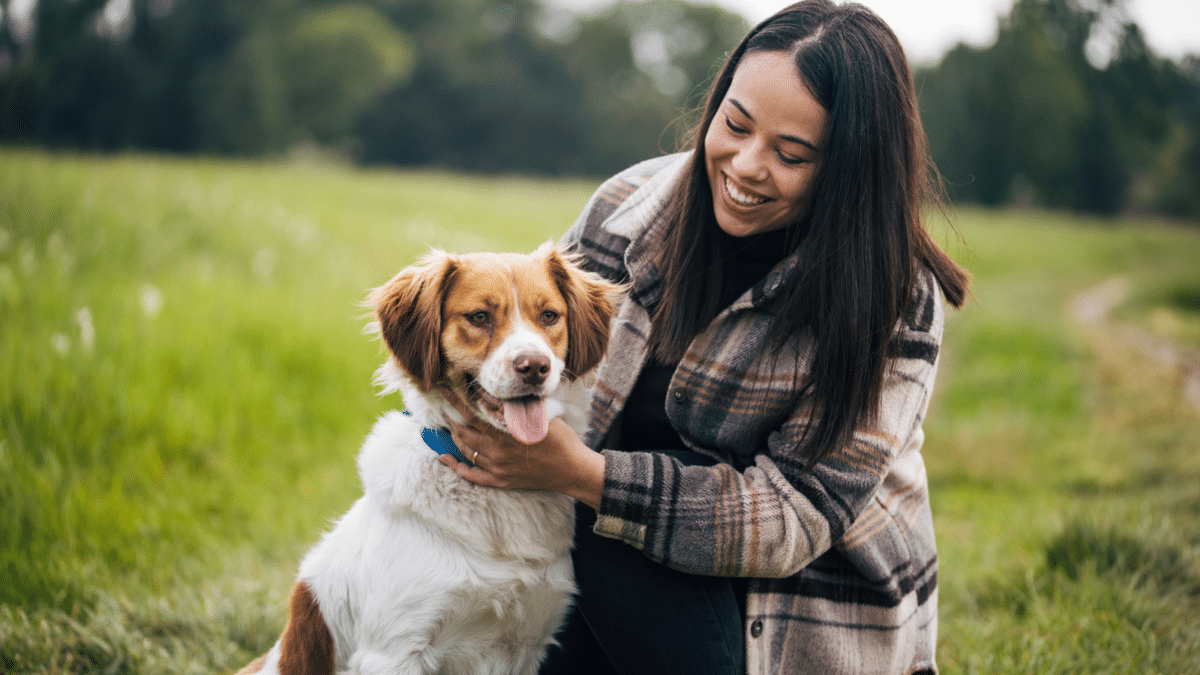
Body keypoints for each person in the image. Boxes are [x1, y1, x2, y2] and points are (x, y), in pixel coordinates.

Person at [438, 1, 970, 673]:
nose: (747, 165)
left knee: (609, 502)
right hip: (611, 567)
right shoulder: (624, 209)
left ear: (848, 168)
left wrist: (586, 474)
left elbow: (793, 519)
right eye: (736, 124)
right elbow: (507, 372)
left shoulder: (893, 296)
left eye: (792, 153)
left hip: (798, 604)